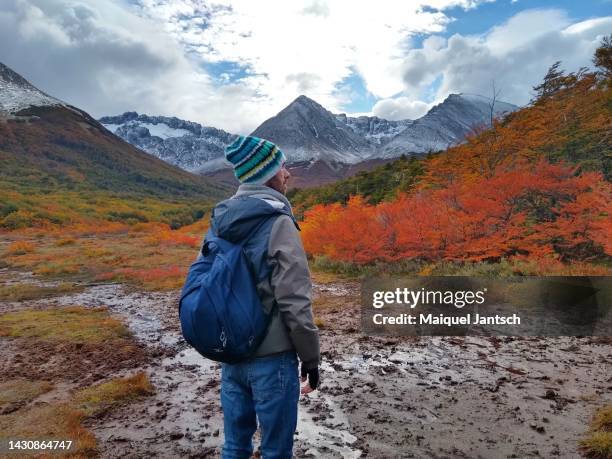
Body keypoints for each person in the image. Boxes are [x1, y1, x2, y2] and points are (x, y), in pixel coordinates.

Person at [210, 135, 320, 459]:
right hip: (273, 359)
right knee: (275, 451)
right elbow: (294, 300)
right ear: (267, 174)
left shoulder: (219, 221)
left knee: (234, 446)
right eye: (282, 166)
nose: (287, 173)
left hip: (231, 354)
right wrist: (311, 357)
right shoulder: (279, 222)